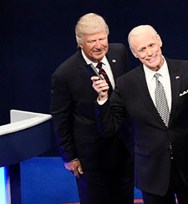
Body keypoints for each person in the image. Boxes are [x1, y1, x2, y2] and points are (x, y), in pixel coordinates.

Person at [91, 25, 188, 204]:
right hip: (152, 171)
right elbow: (109, 128)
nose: (149, 53)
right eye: (142, 49)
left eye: (151, 45)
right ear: (134, 53)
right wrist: (102, 99)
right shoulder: (125, 85)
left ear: (160, 42)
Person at [51, 13, 134, 204]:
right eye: (91, 41)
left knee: (124, 197)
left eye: (102, 38)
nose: (99, 45)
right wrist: (69, 156)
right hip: (91, 156)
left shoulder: (119, 53)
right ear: (80, 43)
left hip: (123, 149)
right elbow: (61, 118)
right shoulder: (65, 74)